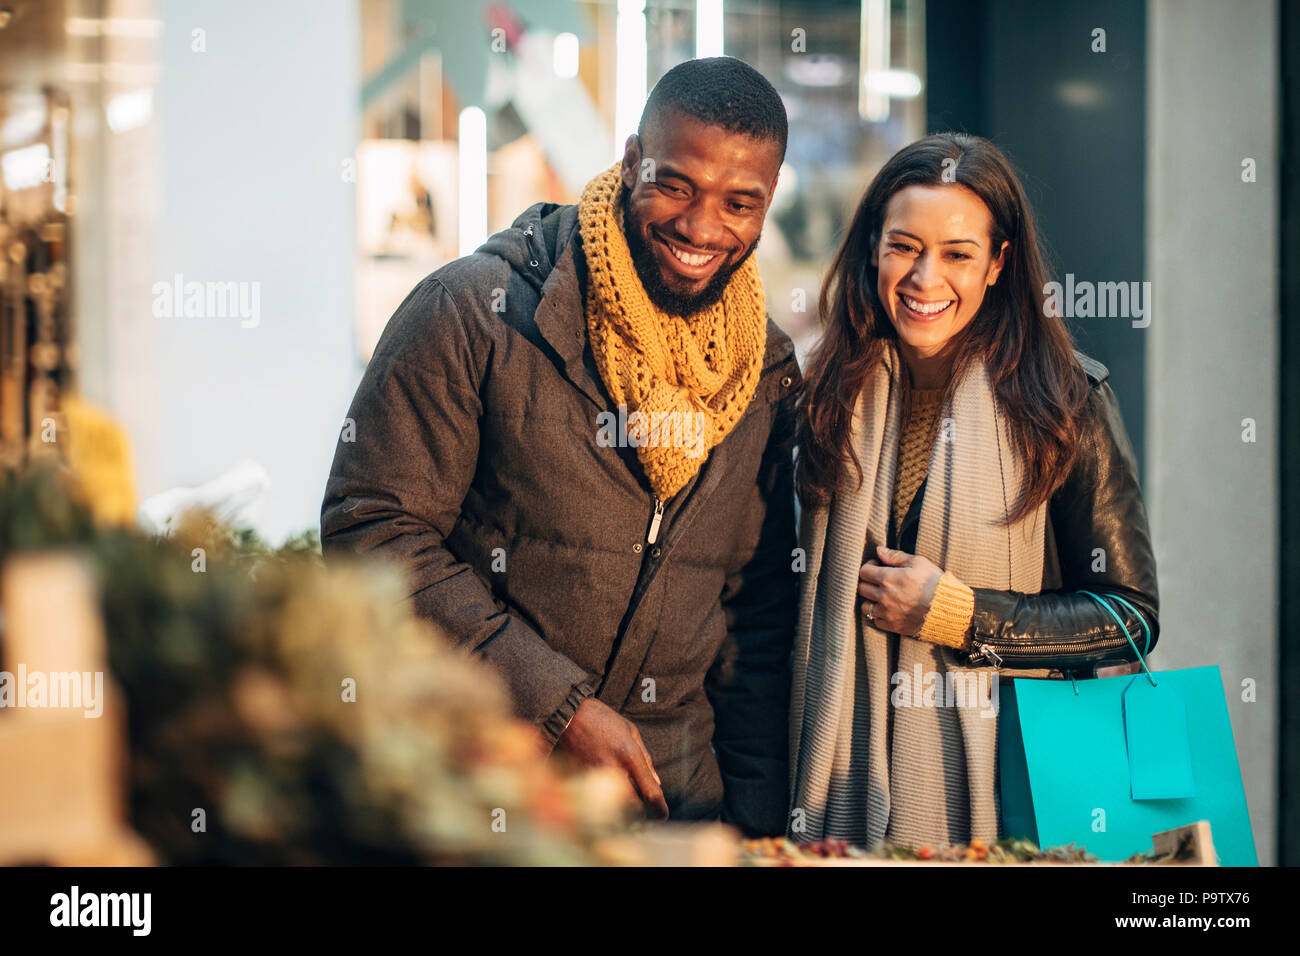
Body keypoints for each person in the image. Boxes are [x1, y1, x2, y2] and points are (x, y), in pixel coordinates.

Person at [321, 57, 800, 835]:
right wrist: (558, 707)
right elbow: (370, 529)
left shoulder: (765, 373)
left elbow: (757, 619)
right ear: (632, 161)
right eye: (675, 184)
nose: (702, 227)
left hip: (671, 814)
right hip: (471, 794)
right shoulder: (475, 311)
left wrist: (751, 830)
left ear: (767, 202)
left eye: (739, 202)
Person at [788, 132, 1160, 849]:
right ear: (873, 247)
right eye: (904, 246)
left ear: (998, 263)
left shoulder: (1064, 400)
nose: (926, 278)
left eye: (957, 254)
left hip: (1008, 788)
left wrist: (961, 615)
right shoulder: (822, 395)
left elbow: (1130, 614)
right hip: (832, 795)